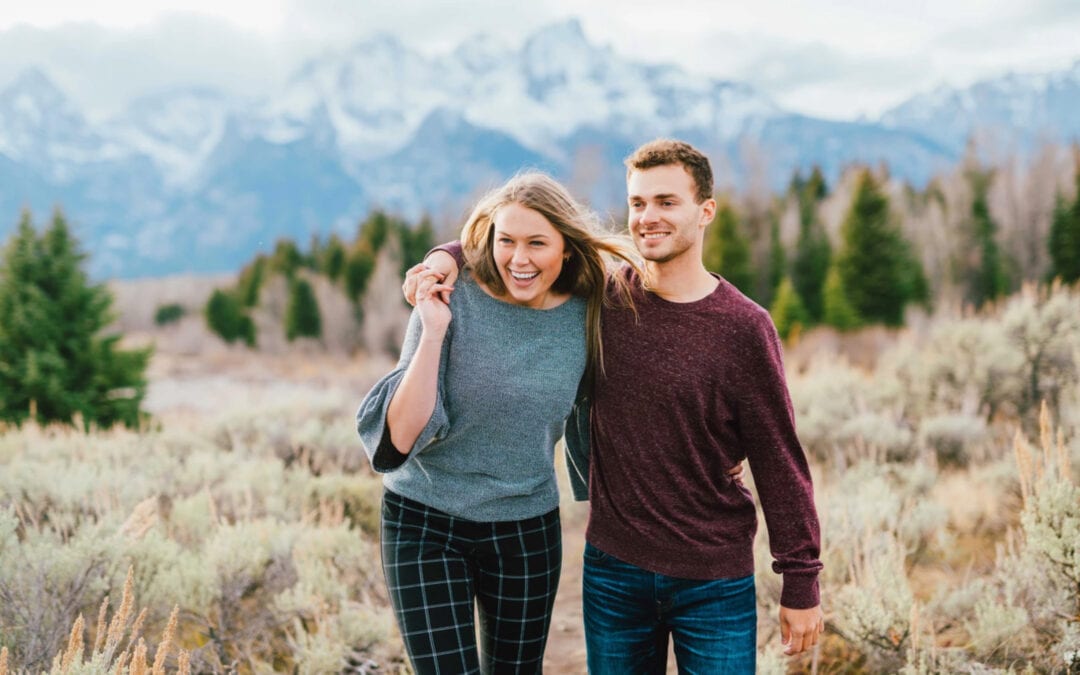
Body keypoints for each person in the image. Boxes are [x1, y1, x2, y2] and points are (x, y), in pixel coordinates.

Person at [408, 139, 824, 673]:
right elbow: (523, 243)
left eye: (666, 202)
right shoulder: (602, 298)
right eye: (637, 203)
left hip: (714, 579)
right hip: (613, 573)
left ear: (706, 211)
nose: (648, 217)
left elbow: (778, 458)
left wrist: (801, 578)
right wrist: (446, 255)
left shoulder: (745, 328)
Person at [355, 172, 640, 674]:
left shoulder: (591, 308)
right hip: (425, 520)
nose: (519, 259)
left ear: (567, 249)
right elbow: (400, 439)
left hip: (526, 528)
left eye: (537, 243)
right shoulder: (448, 295)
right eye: (506, 241)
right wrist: (433, 333)